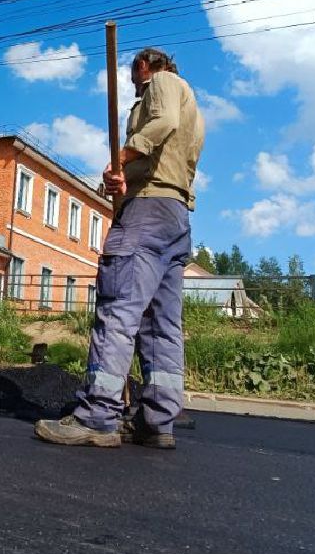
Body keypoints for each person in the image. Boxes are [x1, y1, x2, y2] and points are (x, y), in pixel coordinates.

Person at [35, 47, 205, 450]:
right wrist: (123, 178)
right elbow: (164, 161)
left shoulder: (162, 83)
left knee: (118, 310)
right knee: (161, 324)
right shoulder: (193, 104)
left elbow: (161, 123)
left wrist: (121, 158)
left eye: (134, 78)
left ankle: (97, 415)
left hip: (146, 214)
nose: (134, 86)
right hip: (174, 216)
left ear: (144, 66)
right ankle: (156, 422)